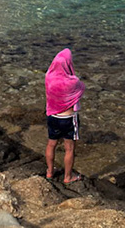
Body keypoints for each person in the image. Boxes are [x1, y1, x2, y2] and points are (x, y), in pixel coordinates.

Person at [44, 50, 83, 184]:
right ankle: (67, 177)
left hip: (53, 117)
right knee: (69, 148)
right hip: (68, 119)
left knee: (51, 144)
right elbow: (81, 89)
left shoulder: (48, 77)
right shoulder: (74, 82)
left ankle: (49, 172)